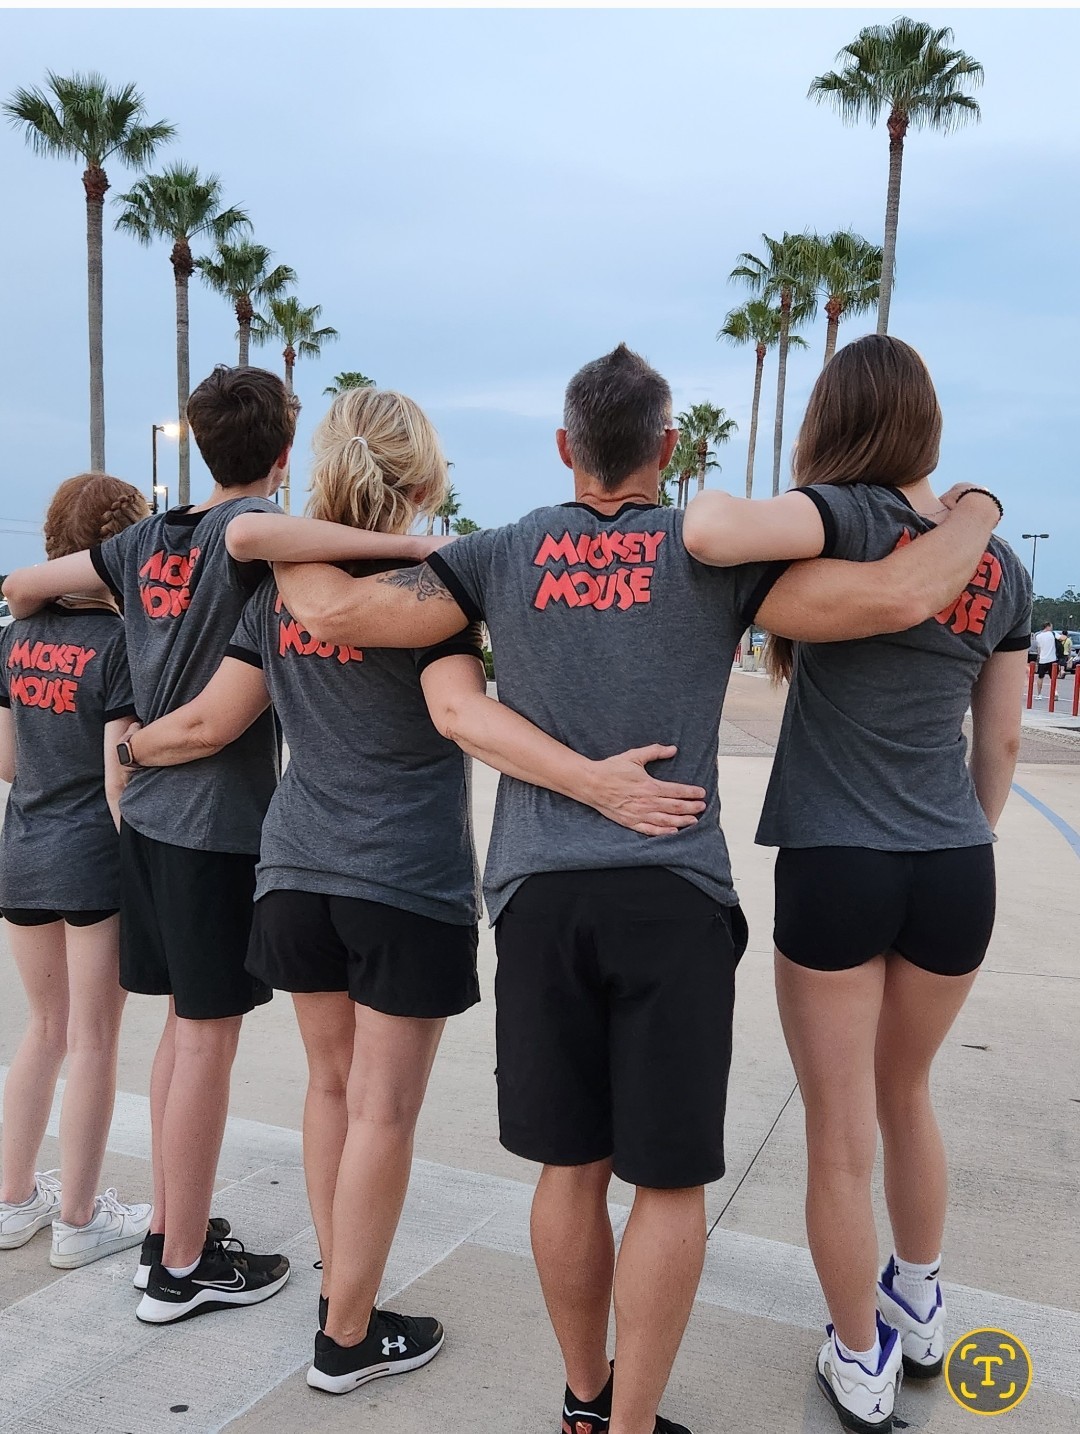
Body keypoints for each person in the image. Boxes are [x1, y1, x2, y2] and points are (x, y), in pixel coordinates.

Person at [268, 344, 1002, 1434]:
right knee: (667, 1184)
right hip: (675, 891)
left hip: (539, 897)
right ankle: (632, 1426)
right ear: (669, 448)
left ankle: (583, 1400)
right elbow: (902, 594)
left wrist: (311, 533)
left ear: (566, 449)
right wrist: (975, 511)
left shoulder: (499, 553)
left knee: (571, 1171)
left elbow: (334, 614)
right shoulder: (711, 561)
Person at [116, 386, 707, 1388]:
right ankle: (345, 1334)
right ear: (423, 474)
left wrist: (130, 748)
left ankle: (336, 1289)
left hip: (295, 869)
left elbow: (217, 716)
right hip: (401, 879)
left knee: (331, 1089)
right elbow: (457, 711)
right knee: (382, 1111)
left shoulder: (281, 586)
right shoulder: (437, 589)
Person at [682, 335, 1029, 1432]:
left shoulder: (835, 528)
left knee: (837, 1130)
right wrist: (954, 837)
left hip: (838, 861)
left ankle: (861, 1358)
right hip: (951, 867)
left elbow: (742, 574)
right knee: (907, 1095)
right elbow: (1006, 747)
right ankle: (922, 1308)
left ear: (831, 423)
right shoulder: (1003, 567)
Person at [3, 366, 384, 1322]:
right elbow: (270, 536)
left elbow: (22, 585)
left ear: (199, 440)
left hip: (144, 820)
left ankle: (169, 1232)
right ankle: (179, 1268)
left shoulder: (142, 539)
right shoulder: (248, 543)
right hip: (215, 824)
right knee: (206, 1038)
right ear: (284, 454)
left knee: (181, 1029)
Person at [0, 474, 154, 1268]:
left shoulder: (16, 637)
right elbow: (117, 776)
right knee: (95, 1038)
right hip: (93, 858)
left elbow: (6, 759)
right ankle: (80, 1218)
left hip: (22, 851)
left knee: (45, 1030)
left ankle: (12, 1199)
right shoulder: (122, 642)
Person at [1033, 621, 1056, 696]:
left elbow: (1039, 648)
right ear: (1048, 626)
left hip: (1042, 659)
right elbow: (1063, 638)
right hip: (1052, 659)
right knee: (1053, 677)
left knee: (1040, 677)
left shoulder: (1038, 636)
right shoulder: (1052, 634)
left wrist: (1038, 657)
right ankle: (1054, 692)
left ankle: (1039, 694)